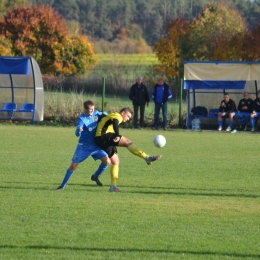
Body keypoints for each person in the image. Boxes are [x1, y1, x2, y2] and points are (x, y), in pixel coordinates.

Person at [95, 107, 162, 192]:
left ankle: (113, 186)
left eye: (129, 118)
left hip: (101, 139)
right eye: (127, 116)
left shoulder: (113, 115)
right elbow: (115, 121)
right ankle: (146, 157)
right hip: (103, 136)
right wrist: (117, 135)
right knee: (127, 142)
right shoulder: (118, 115)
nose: (128, 119)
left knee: (116, 161)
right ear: (123, 113)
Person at [56, 100, 111, 190]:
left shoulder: (96, 113)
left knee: (107, 161)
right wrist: (78, 131)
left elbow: (104, 114)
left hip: (95, 146)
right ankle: (62, 186)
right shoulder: (81, 119)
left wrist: (105, 113)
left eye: (92, 109)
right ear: (85, 109)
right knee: (73, 166)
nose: (91, 112)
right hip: (83, 147)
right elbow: (77, 133)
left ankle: (95, 176)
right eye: (89, 110)